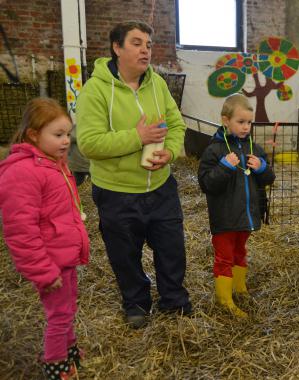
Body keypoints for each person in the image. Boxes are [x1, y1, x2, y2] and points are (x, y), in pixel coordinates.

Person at [76, 21, 191, 329]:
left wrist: (169, 151)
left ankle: (174, 299)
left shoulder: (159, 85)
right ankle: (136, 301)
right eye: (137, 43)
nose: (145, 50)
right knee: (124, 254)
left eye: (149, 45)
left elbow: (177, 125)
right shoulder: (95, 90)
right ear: (117, 47)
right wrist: (137, 137)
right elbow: (89, 143)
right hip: (117, 191)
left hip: (161, 186)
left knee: (171, 248)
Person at [0, 98, 90, 379]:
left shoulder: (54, 163)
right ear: (34, 135)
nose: (66, 141)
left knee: (68, 307)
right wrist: (43, 271)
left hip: (64, 255)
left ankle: (69, 349)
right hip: (50, 261)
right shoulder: (22, 172)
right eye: (58, 135)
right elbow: (21, 232)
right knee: (59, 315)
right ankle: (56, 364)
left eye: (68, 134)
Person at [198, 94, 275, 318]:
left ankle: (239, 288)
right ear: (226, 120)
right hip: (224, 217)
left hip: (246, 215)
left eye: (249, 122)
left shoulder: (255, 149)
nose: (246, 127)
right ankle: (224, 300)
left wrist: (262, 168)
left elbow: (269, 178)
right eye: (240, 122)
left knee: (240, 251)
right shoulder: (214, 151)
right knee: (224, 256)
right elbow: (206, 183)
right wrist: (224, 167)